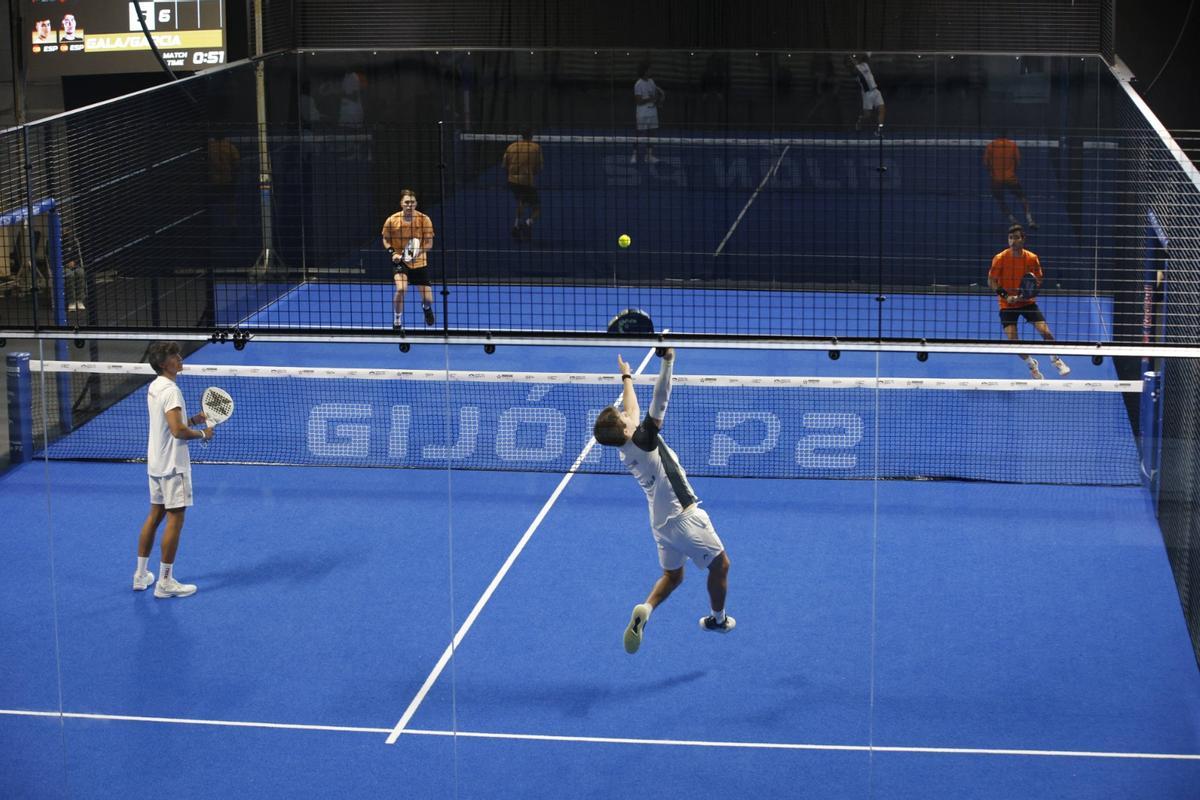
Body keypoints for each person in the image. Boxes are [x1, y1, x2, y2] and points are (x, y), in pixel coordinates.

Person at [592, 349, 734, 655]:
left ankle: (646, 608)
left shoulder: (625, 447)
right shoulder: (644, 440)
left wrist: (627, 376)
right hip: (685, 517)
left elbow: (631, 407)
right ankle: (718, 619)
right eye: (622, 416)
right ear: (627, 429)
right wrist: (668, 361)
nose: (626, 412)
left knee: (673, 575)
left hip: (660, 526)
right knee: (721, 565)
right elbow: (660, 399)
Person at [133, 342, 214, 599]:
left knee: (155, 515)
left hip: (156, 464)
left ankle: (140, 575)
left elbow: (171, 425)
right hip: (173, 467)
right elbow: (177, 431)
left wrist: (192, 420)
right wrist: (203, 433)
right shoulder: (172, 391)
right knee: (175, 520)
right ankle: (165, 582)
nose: (180, 358)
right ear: (163, 363)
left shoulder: (155, 387)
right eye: (173, 356)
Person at [987, 224, 1069, 379]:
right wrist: (1005, 296)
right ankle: (1032, 365)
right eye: (1010, 238)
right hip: (1007, 305)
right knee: (1013, 341)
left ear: (1023, 239)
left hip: (1027, 302)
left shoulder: (1032, 258)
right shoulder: (1000, 258)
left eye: (1016, 237)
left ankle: (1055, 359)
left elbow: (1038, 279)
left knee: (1046, 332)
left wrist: (1027, 293)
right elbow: (991, 281)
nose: (1013, 241)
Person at [380, 189, 436, 330]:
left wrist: (417, 252)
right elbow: (386, 239)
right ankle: (397, 321)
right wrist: (393, 253)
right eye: (406, 202)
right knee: (401, 289)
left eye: (412, 202)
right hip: (400, 261)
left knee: (428, 299)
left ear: (416, 204)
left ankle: (426, 308)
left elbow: (429, 244)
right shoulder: (392, 220)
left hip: (419, 262)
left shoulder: (424, 219)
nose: (409, 205)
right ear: (401, 204)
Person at [984, 134, 1037, 229]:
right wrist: (1011, 172)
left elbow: (986, 163)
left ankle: (1013, 220)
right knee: (1022, 198)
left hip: (997, 180)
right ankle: (1030, 220)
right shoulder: (1012, 145)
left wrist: (993, 173)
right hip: (1011, 178)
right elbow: (1017, 161)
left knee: (1000, 201)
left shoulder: (990, 146)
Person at [502, 129, 543, 241]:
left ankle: (516, 226)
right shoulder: (536, 147)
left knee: (521, 201)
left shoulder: (511, 146)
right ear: (532, 136)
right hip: (527, 182)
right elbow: (538, 168)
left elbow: (505, 165)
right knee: (537, 208)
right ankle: (527, 223)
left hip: (512, 182)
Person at [631, 64, 666, 164]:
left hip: (653, 112)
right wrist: (651, 99)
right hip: (642, 113)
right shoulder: (638, 84)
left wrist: (659, 99)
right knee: (639, 134)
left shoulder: (651, 81)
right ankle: (634, 155)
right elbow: (638, 101)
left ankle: (649, 156)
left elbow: (655, 95)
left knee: (652, 134)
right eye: (649, 69)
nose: (651, 71)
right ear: (644, 71)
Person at [847, 53, 885, 134]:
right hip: (867, 94)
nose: (855, 59)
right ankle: (860, 121)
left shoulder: (865, 64)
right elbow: (854, 72)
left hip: (876, 91)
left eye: (856, 58)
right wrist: (851, 60)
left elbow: (866, 56)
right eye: (853, 59)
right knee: (867, 115)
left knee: (882, 109)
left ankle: (880, 129)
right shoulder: (855, 70)